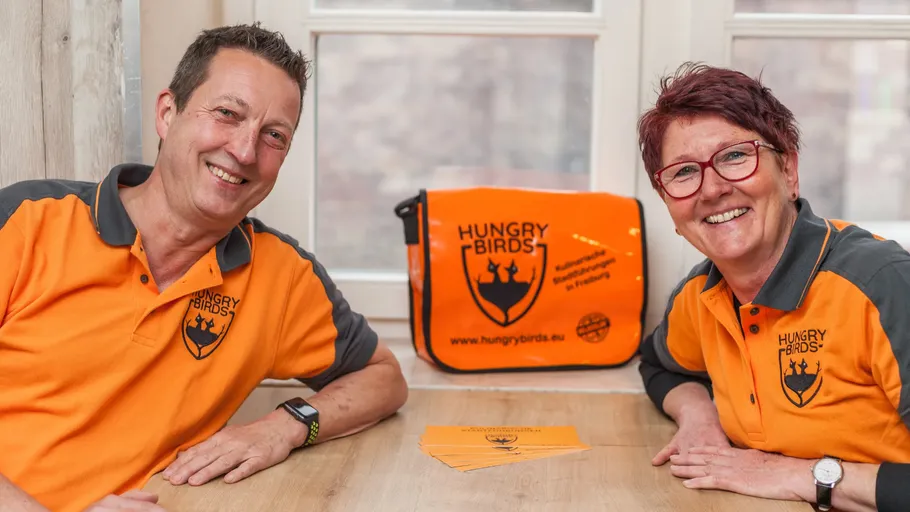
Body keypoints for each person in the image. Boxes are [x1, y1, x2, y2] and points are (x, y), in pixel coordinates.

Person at [0, 23, 408, 512]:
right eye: (227, 114)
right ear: (168, 113)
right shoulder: (26, 221)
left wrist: (286, 425)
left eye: (274, 135)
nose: (244, 151)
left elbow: (384, 379)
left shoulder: (282, 276)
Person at [636, 62, 909, 512]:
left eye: (735, 157)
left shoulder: (883, 285)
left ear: (789, 170)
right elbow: (659, 365)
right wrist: (700, 417)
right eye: (684, 172)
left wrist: (804, 475)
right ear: (668, 204)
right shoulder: (700, 295)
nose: (712, 189)